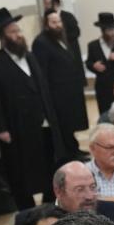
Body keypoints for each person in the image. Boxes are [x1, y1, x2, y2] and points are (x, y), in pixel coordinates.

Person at [0, 7, 63, 210]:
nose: (18, 35)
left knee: (48, 165)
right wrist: (1, 129)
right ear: (2, 37)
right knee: (20, 172)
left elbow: (42, 89)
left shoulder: (31, 56)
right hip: (17, 126)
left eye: (18, 30)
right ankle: (26, 211)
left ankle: (47, 206)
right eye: (12, 32)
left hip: (43, 123)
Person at [32, 9, 88, 160]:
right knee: (63, 125)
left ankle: (75, 149)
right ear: (46, 25)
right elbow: (42, 72)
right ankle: (69, 154)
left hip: (69, 91)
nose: (58, 25)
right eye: (54, 22)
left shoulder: (62, 38)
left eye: (59, 22)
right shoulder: (41, 42)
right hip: (56, 93)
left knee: (70, 124)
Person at [42, 0, 81, 66]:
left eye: (49, 4)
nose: (46, 6)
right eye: (45, 4)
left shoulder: (68, 16)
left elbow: (76, 33)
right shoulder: (46, 18)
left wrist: (60, 37)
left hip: (72, 55)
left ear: (56, 4)